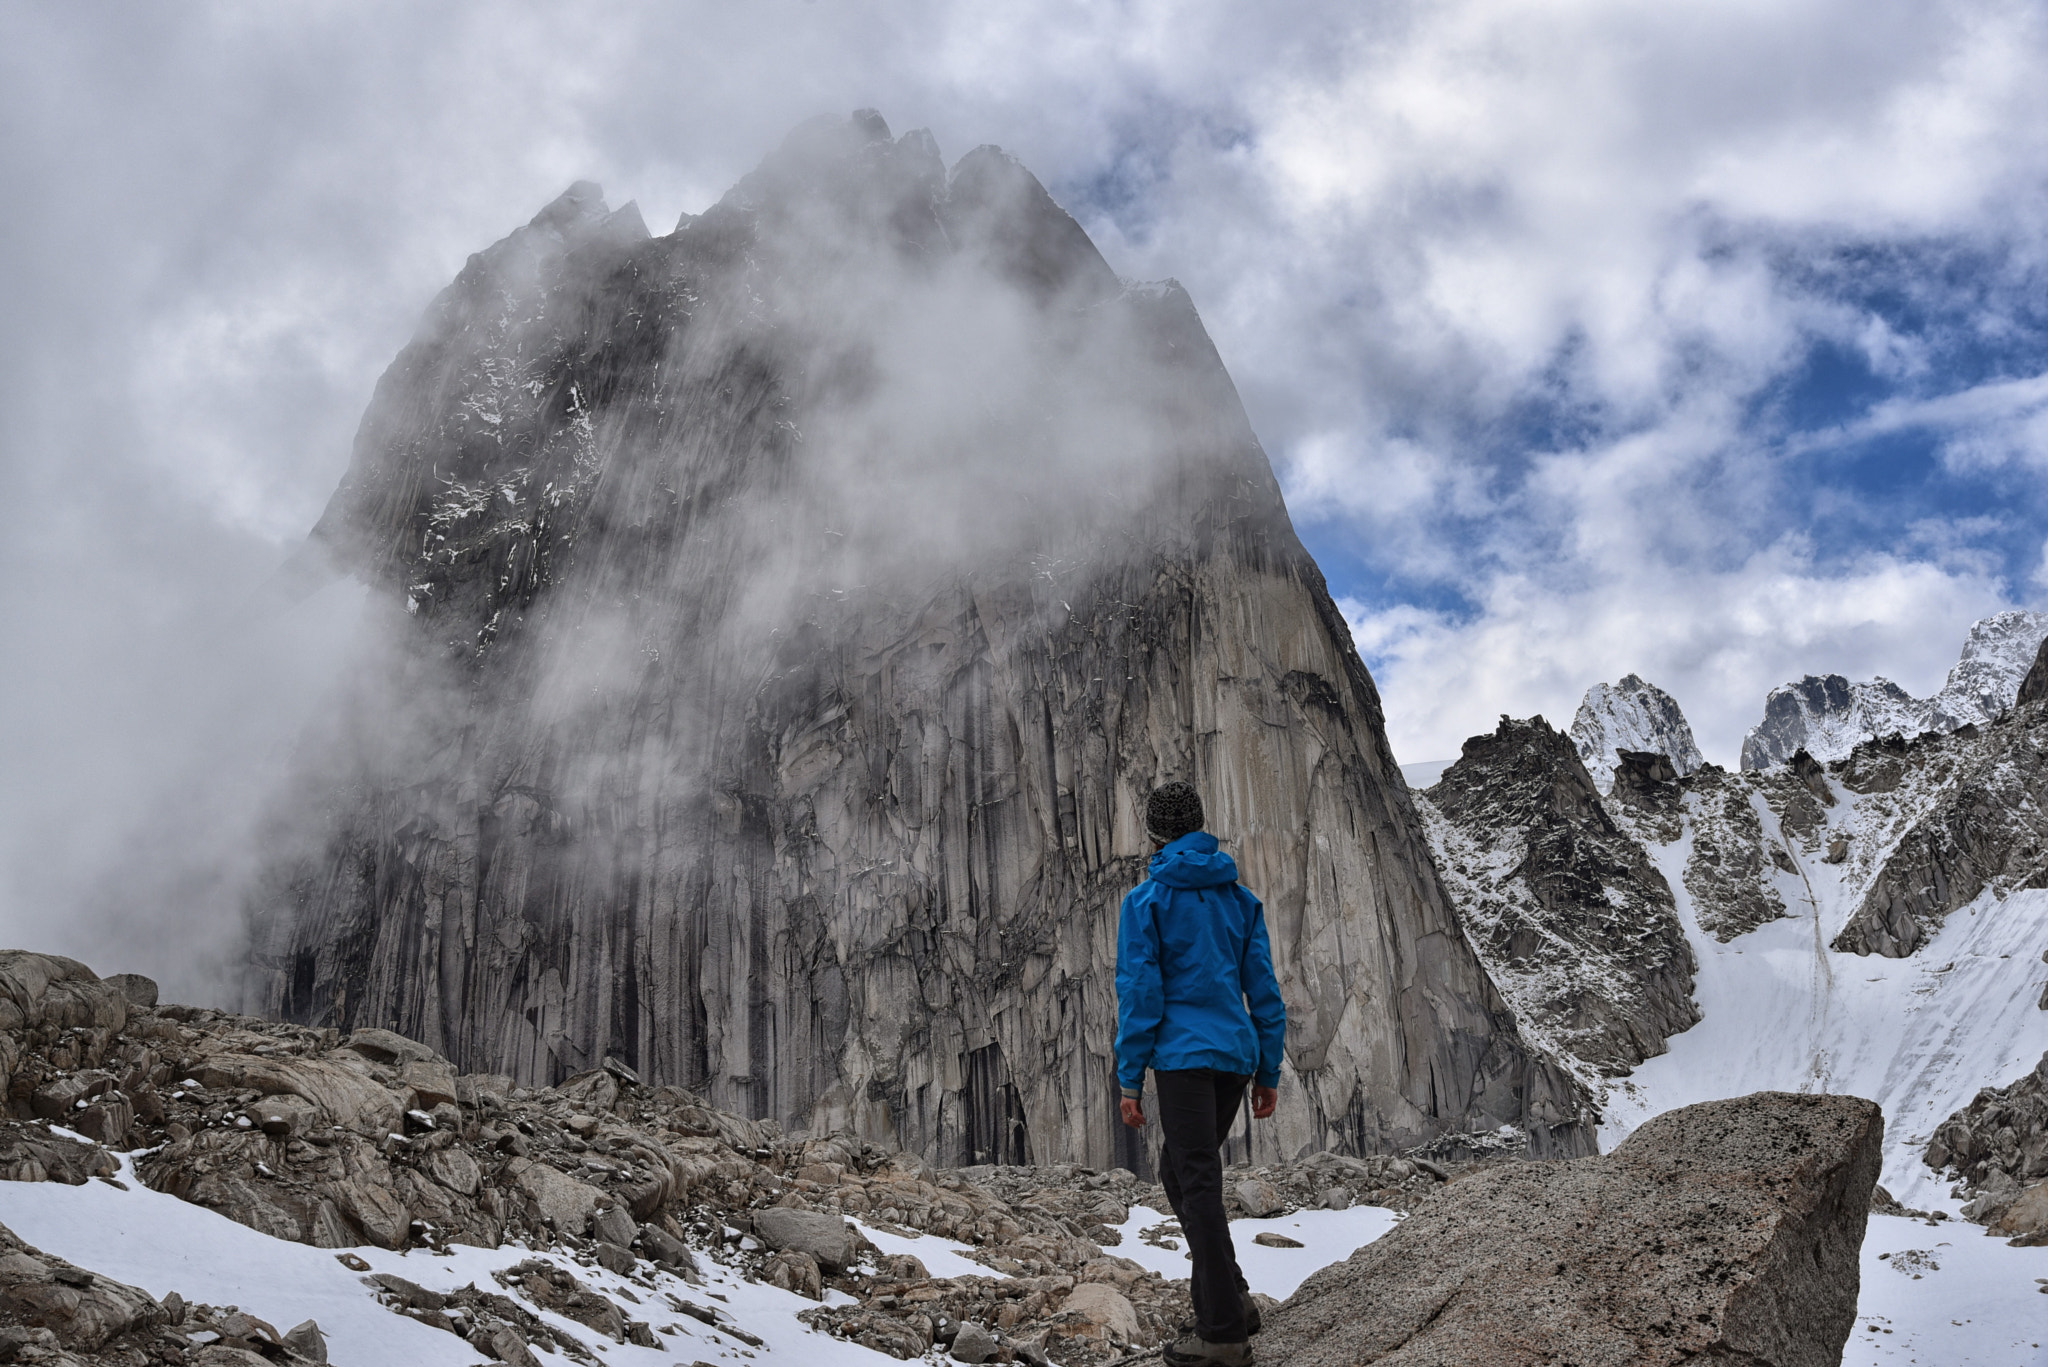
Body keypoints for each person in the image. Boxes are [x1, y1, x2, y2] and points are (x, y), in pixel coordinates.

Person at [1115, 781, 1286, 1367]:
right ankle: (1233, 1296)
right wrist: (1268, 1069)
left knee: (1196, 1180)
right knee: (1181, 1171)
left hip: (1183, 1060)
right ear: (1199, 826)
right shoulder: (1240, 899)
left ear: (1156, 834)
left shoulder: (1147, 901)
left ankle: (1219, 1335)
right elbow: (1262, 989)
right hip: (1234, 1059)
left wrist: (1129, 1077)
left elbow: (1140, 991)